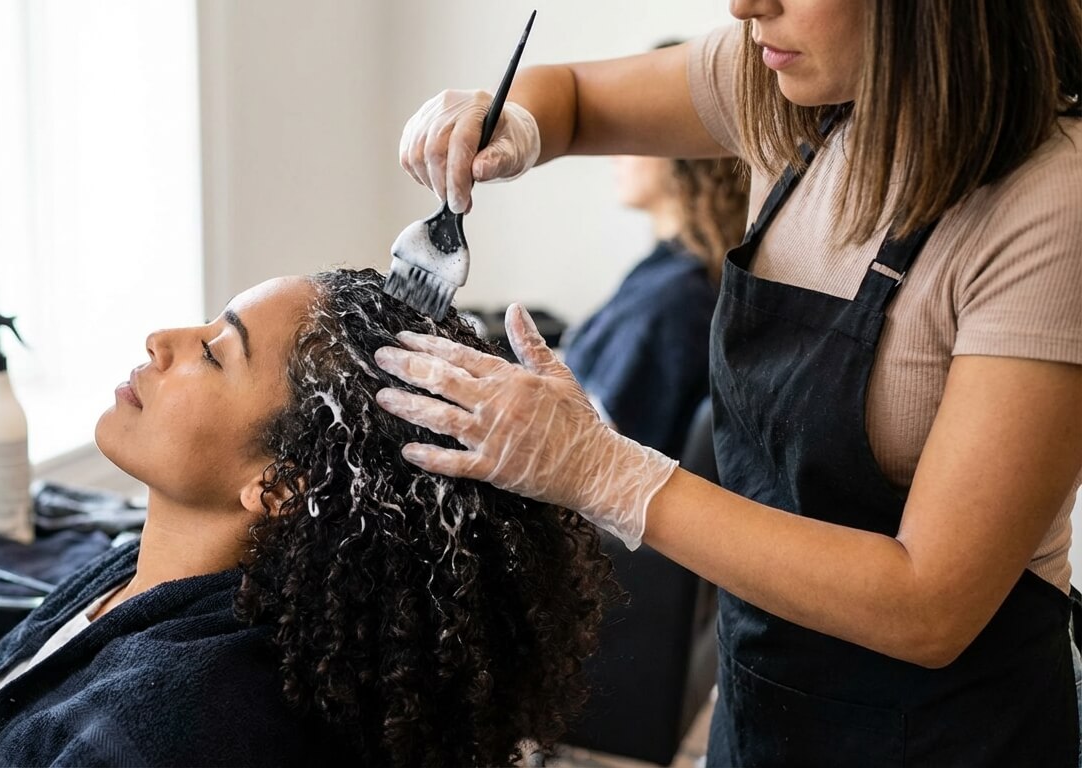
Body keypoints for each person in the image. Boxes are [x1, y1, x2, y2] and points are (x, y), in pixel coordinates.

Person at [378, 1, 1082, 765]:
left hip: (953, 738)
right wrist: (509, 117)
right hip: (758, 713)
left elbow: (930, 608)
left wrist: (604, 471)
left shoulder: (1051, 207)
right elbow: (574, 99)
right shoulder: (781, 87)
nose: (746, 6)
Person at [0, 268, 611, 767]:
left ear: (279, 484)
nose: (162, 339)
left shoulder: (175, 727)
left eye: (215, 352)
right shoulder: (133, 577)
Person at [564, 149, 747, 457]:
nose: (614, 154)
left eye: (635, 140)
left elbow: (593, 447)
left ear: (686, 157)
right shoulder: (666, 270)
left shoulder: (680, 297)